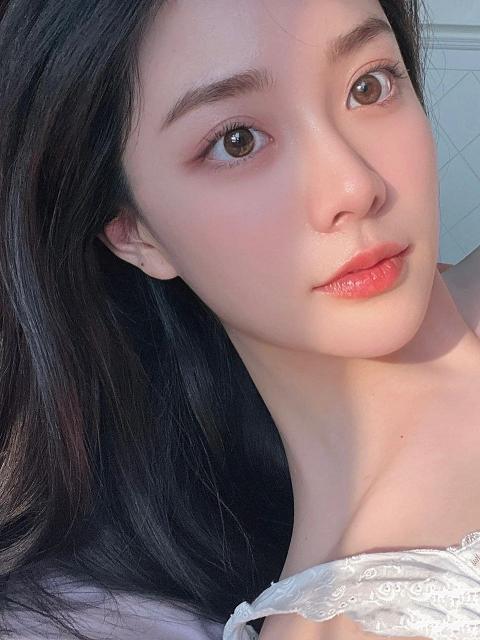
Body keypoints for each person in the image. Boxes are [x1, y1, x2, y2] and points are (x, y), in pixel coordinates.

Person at [1, 0, 480, 638]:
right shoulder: (358, 624)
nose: (353, 186)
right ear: (135, 232)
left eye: (368, 86)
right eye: (238, 142)